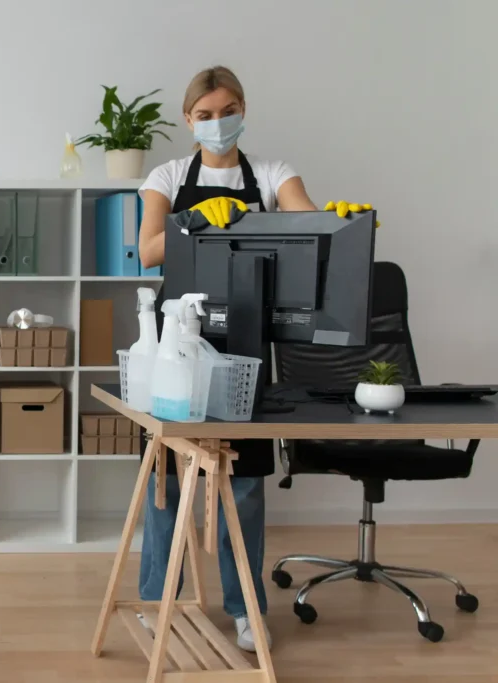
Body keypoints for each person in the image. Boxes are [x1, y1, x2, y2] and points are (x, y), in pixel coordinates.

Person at [137, 65, 374, 652]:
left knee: (242, 484)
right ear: (189, 120)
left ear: (244, 109)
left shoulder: (271, 174)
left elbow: (309, 224)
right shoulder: (167, 174)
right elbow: (145, 251)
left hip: (246, 344)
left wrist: (338, 223)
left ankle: (246, 609)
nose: (219, 123)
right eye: (206, 114)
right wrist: (192, 220)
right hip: (181, 345)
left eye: (228, 110)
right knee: (168, 480)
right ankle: (154, 600)